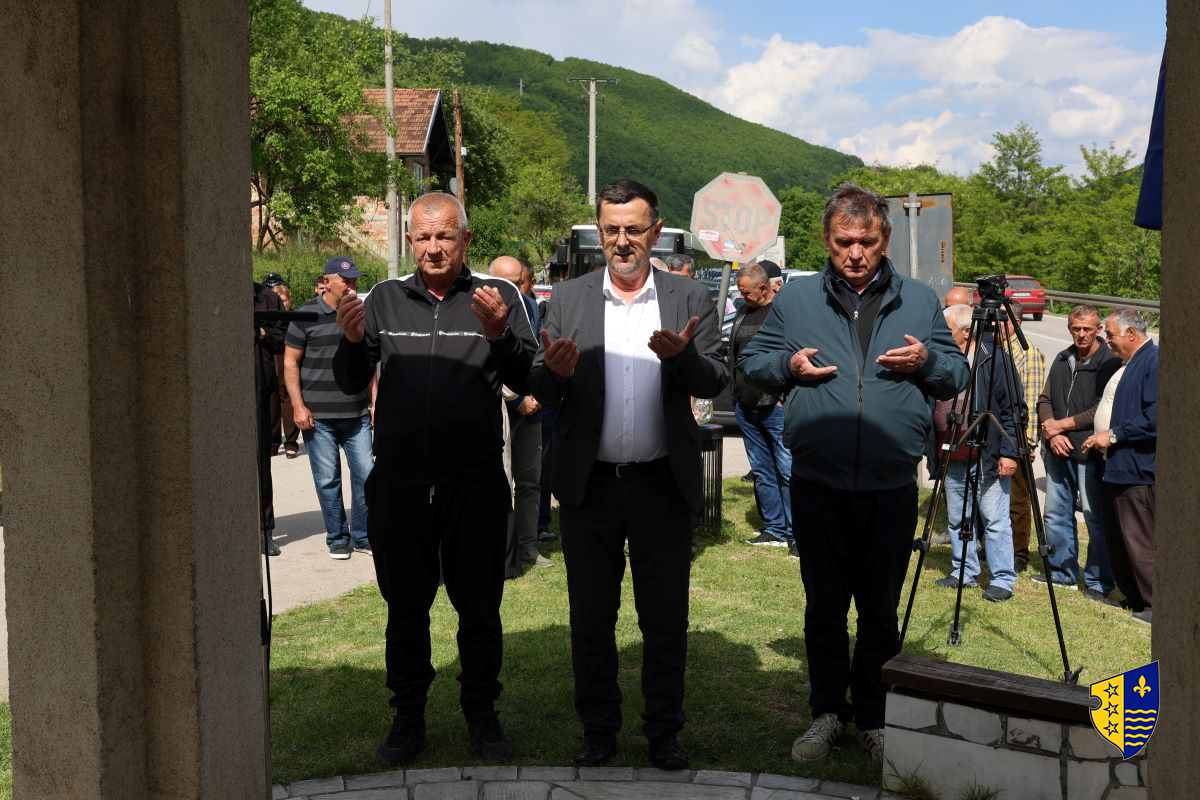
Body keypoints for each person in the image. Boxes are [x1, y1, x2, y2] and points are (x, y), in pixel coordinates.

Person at [738, 182, 968, 763]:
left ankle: (872, 716)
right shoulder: (797, 299)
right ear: (827, 239)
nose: (856, 253)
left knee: (880, 609)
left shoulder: (919, 300)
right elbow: (753, 362)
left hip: (891, 483)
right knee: (824, 606)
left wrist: (928, 360)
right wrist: (788, 365)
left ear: (884, 238)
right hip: (819, 481)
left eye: (866, 241)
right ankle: (826, 713)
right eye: (844, 242)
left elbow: (956, 374)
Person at [529, 179, 727, 770]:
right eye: (611, 229)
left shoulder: (689, 298)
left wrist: (683, 359)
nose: (621, 240)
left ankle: (663, 732)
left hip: (661, 485)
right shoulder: (569, 299)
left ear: (655, 232)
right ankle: (598, 729)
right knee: (591, 618)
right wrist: (555, 374)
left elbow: (716, 379)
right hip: (589, 488)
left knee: (664, 620)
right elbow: (539, 384)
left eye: (633, 229)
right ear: (599, 232)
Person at [333, 192, 537, 763]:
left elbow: (529, 375)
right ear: (409, 241)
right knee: (405, 610)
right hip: (400, 485)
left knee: (480, 610)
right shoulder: (384, 298)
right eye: (422, 237)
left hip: (474, 484)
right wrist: (352, 342)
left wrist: (499, 335)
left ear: (465, 240)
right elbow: (350, 381)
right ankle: (407, 719)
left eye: (444, 235)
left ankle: (483, 716)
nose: (433, 247)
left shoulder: (498, 296)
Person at [284, 257, 375, 560]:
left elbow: (369, 362)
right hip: (318, 416)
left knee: (366, 474)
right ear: (326, 282)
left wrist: (375, 401)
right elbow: (290, 362)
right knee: (327, 479)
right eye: (345, 281)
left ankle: (363, 535)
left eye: (354, 281)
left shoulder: (360, 314)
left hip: (357, 413)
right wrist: (298, 406)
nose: (351, 286)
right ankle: (337, 538)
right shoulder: (305, 315)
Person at [931, 303, 1021, 601]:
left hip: (986, 454)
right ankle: (963, 571)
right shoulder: (943, 358)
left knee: (995, 520)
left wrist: (1009, 452)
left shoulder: (993, 359)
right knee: (958, 518)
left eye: (947, 329)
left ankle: (1002, 579)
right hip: (952, 453)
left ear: (967, 330)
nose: (941, 334)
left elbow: (1013, 409)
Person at [1034, 305, 1119, 599]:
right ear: (1069, 328)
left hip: (1090, 452)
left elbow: (1101, 408)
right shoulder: (1062, 358)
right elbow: (1045, 398)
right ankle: (1062, 573)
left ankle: (1098, 582)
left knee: (1095, 518)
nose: (1081, 334)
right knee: (1055, 514)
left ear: (1098, 329)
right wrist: (1051, 431)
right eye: (1076, 329)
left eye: (1087, 329)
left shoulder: (1109, 361)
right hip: (1058, 450)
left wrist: (1062, 425)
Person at [1081, 309, 1157, 625]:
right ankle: (1134, 597)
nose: (1107, 340)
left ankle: (1155, 605)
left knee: (1139, 539)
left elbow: (1155, 418)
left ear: (1131, 333)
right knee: (1118, 537)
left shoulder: (1153, 362)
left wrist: (1112, 435)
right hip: (1114, 466)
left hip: (1137, 468)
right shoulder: (1127, 362)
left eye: (1110, 335)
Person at [488, 255, 551, 572]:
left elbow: (536, 354)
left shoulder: (531, 307)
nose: (512, 289)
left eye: (517, 283)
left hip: (533, 407)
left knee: (530, 481)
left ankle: (528, 546)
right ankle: (503, 549)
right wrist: (516, 401)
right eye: (505, 284)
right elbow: (488, 365)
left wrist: (537, 393)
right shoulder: (481, 308)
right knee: (500, 481)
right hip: (501, 408)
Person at [731, 262, 794, 555]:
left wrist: (783, 396)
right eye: (740, 292)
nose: (742, 297)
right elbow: (734, 356)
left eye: (746, 292)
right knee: (762, 470)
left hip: (775, 407)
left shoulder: (782, 314)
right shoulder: (742, 313)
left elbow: (793, 356)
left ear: (764, 288)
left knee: (787, 470)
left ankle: (796, 533)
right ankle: (774, 528)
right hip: (745, 406)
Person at [1001, 301, 1044, 573]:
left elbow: (1032, 399)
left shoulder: (1027, 354)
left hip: (1017, 440)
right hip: (999, 436)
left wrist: (1026, 443)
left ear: (1015, 323)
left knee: (1017, 500)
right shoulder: (1000, 350)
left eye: (1001, 319)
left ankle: (1019, 554)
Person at [253, 280, 286, 556]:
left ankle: (265, 531)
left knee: (261, 464)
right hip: (220, 391)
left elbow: (281, 336)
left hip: (259, 390)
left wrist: (262, 333)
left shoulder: (267, 297)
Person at [267, 280, 301, 458]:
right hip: (270, 362)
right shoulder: (269, 319)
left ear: (289, 300)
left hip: (287, 362)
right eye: (278, 301)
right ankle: (273, 443)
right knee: (271, 402)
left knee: (288, 400)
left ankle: (291, 442)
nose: (282, 304)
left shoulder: (294, 319)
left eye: (284, 300)